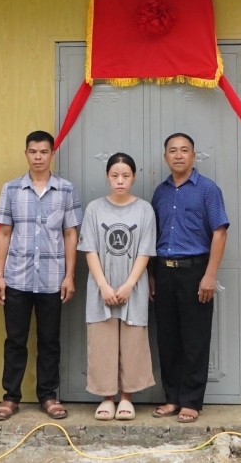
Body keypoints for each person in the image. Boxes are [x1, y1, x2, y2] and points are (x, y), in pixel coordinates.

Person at [0, 130, 82, 421]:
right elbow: (4, 232)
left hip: (53, 279)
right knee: (15, 339)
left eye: (44, 152)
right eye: (33, 151)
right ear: (26, 153)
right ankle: (10, 397)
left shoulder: (66, 190)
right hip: (17, 277)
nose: (38, 157)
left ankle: (48, 396)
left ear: (51, 154)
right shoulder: (12, 189)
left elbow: (71, 234)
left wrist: (69, 276)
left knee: (49, 339)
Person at [150, 132, 230, 423]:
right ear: (165, 157)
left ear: (194, 156)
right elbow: (152, 236)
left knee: (195, 339)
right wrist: (151, 275)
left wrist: (210, 275)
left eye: (185, 150)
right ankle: (171, 398)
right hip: (163, 271)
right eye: (173, 150)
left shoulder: (208, 190)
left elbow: (220, 232)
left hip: (196, 271)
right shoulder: (160, 192)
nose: (179, 155)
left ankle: (192, 402)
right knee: (168, 338)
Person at [79, 152, 158, 421]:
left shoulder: (144, 209)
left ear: (134, 177)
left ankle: (127, 397)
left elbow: (145, 252)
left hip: (132, 286)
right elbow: (89, 249)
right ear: (107, 177)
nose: (120, 181)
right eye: (115, 176)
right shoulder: (94, 208)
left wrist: (129, 284)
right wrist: (103, 285)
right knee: (103, 341)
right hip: (101, 286)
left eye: (125, 176)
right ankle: (106, 397)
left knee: (133, 342)